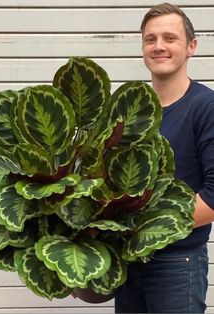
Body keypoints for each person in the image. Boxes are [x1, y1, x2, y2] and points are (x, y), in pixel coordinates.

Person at [115, 2, 214, 313]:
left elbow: (213, 197)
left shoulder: (206, 107)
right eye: (150, 39)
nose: (159, 47)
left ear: (191, 47)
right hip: (127, 262)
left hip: (177, 265)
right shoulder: (131, 111)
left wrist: (148, 229)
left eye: (170, 38)